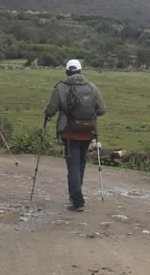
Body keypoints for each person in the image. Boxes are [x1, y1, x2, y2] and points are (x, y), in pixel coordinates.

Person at [44, 59, 106, 211]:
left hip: (69, 132)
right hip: (88, 131)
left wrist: (47, 114)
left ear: (67, 72)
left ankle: (77, 199)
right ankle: (77, 191)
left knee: (73, 164)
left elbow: (51, 110)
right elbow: (102, 109)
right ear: (80, 71)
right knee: (81, 162)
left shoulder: (60, 87)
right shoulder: (91, 87)